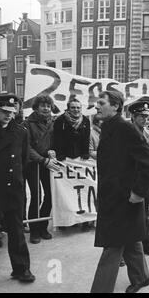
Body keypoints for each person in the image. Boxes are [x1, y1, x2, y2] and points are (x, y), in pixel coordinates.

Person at [91, 91, 149, 293]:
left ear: (116, 106)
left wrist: (139, 192)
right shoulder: (110, 127)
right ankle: (141, 278)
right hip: (113, 198)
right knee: (130, 239)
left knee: (112, 246)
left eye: (101, 103)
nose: (96, 106)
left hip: (124, 199)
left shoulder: (124, 128)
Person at [0, 94, 35, 283]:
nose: (9, 115)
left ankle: (21, 269)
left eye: (12, 112)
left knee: (16, 230)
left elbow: (24, 159)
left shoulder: (21, 132)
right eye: (4, 111)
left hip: (13, 188)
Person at [23, 95, 60, 244]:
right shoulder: (27, 123)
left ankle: (43, 226)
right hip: (33, 164)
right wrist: (42, 159)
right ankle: (34, 230)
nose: (46, 108)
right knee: (36, 195)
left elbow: (56, 140)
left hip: (48, 163)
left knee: (50, 195)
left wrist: (53, 150)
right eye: (43, 105)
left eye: (48, 106)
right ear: (36, 107)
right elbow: (27, 147)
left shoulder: (54, 122)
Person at [53, 99, 91, 231]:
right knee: (67, 191)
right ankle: (66, 221)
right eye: (73, 107)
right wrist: (60, 154)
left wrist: (85, 153)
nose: (76, 110)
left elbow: (86, 138)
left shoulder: (85, 120)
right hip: (65, 158)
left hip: (79, 159)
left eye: (78, 108)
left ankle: (84, 220)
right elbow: (56, 138)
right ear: (68, 108)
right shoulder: (60, 121)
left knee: (82, 189)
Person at [129, 101, 149, 257]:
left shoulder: (148, 133)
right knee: (128, 218)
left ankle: (146, 245)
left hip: (145, 180)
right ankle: (122, 253)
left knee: (144, 215)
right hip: (131, 181)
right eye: (142, 116)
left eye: (148, 117)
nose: (146, 119)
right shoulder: (127, 133)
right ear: (133, 117)